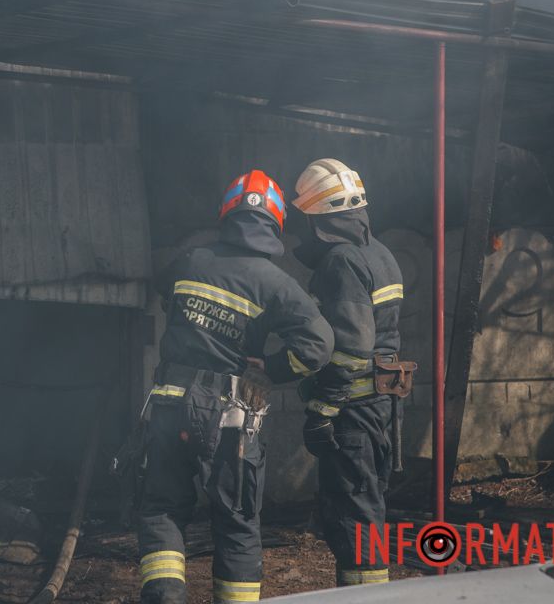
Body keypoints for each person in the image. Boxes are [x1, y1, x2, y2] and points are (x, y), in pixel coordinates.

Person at [136, 169, 335, 604]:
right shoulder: (277, 283)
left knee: (163, 509)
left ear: (227, 212)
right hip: (231, 416)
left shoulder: (191, 260)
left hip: (170, 405)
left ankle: (166, 597)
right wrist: (273, 369)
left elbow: (162, 289)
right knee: (239, 521)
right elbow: (319, 346)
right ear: (277, 224)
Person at [290, 158, 409, 587]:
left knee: (356, 517)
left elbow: (353, 346)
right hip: (381, 406)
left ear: (317, 216)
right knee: (368, 506)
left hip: (352, 411)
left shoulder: (340, 261)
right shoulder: (380, 254)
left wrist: (323, 408)